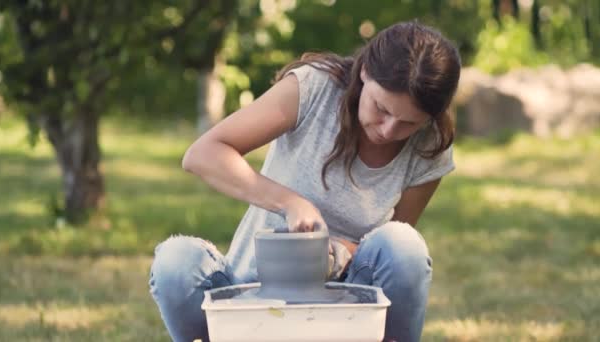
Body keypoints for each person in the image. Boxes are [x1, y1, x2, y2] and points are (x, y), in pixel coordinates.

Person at [149, 20, 461, 342]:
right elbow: (203, 154)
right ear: (365, 71)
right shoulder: (315, 87)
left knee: (404, 245)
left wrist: (339, 251)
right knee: (175, 262)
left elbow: (393, 254)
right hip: (252, 296)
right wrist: (289, 202)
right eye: (381, 108)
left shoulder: (430, 143)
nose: (388, 130)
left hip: (346, 309)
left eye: (407, 123)